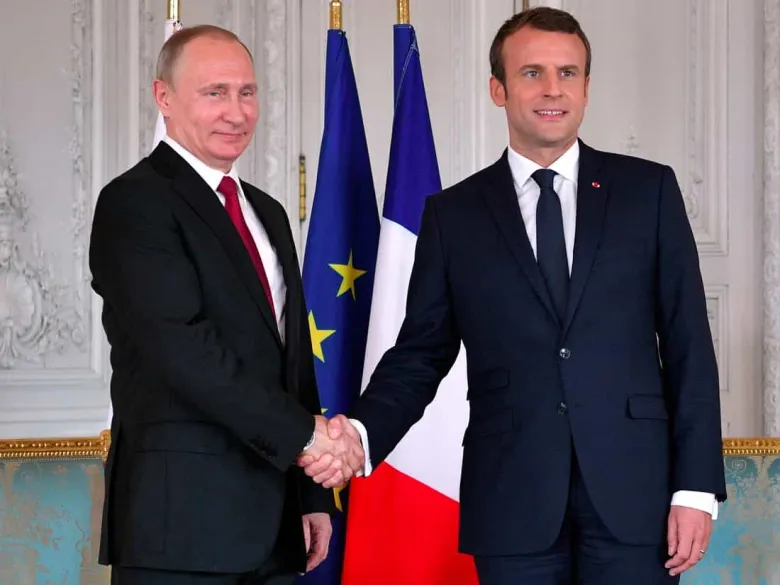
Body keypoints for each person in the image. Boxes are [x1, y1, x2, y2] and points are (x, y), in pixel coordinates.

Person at [300, 7, 726, 585]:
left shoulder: (648, 192)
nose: (552, 89)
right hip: (511, 501)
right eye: (532, 73)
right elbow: (421, 353)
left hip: (637, 496)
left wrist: (696, 488)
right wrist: (360, 435)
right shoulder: (453, 215)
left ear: (586, 87)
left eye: (568, 73)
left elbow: (688, 346)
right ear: (498, 89)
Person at [89, 25, 364, 585]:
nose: (236, 112)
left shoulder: (268, 212)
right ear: (164, 97)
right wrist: (309, 438)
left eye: (247, 92)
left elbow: (293, 361)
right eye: (215, 92)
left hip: (276, 528)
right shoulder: (133, 202)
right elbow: (184, 350)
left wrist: (311, 495)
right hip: (180, 530)